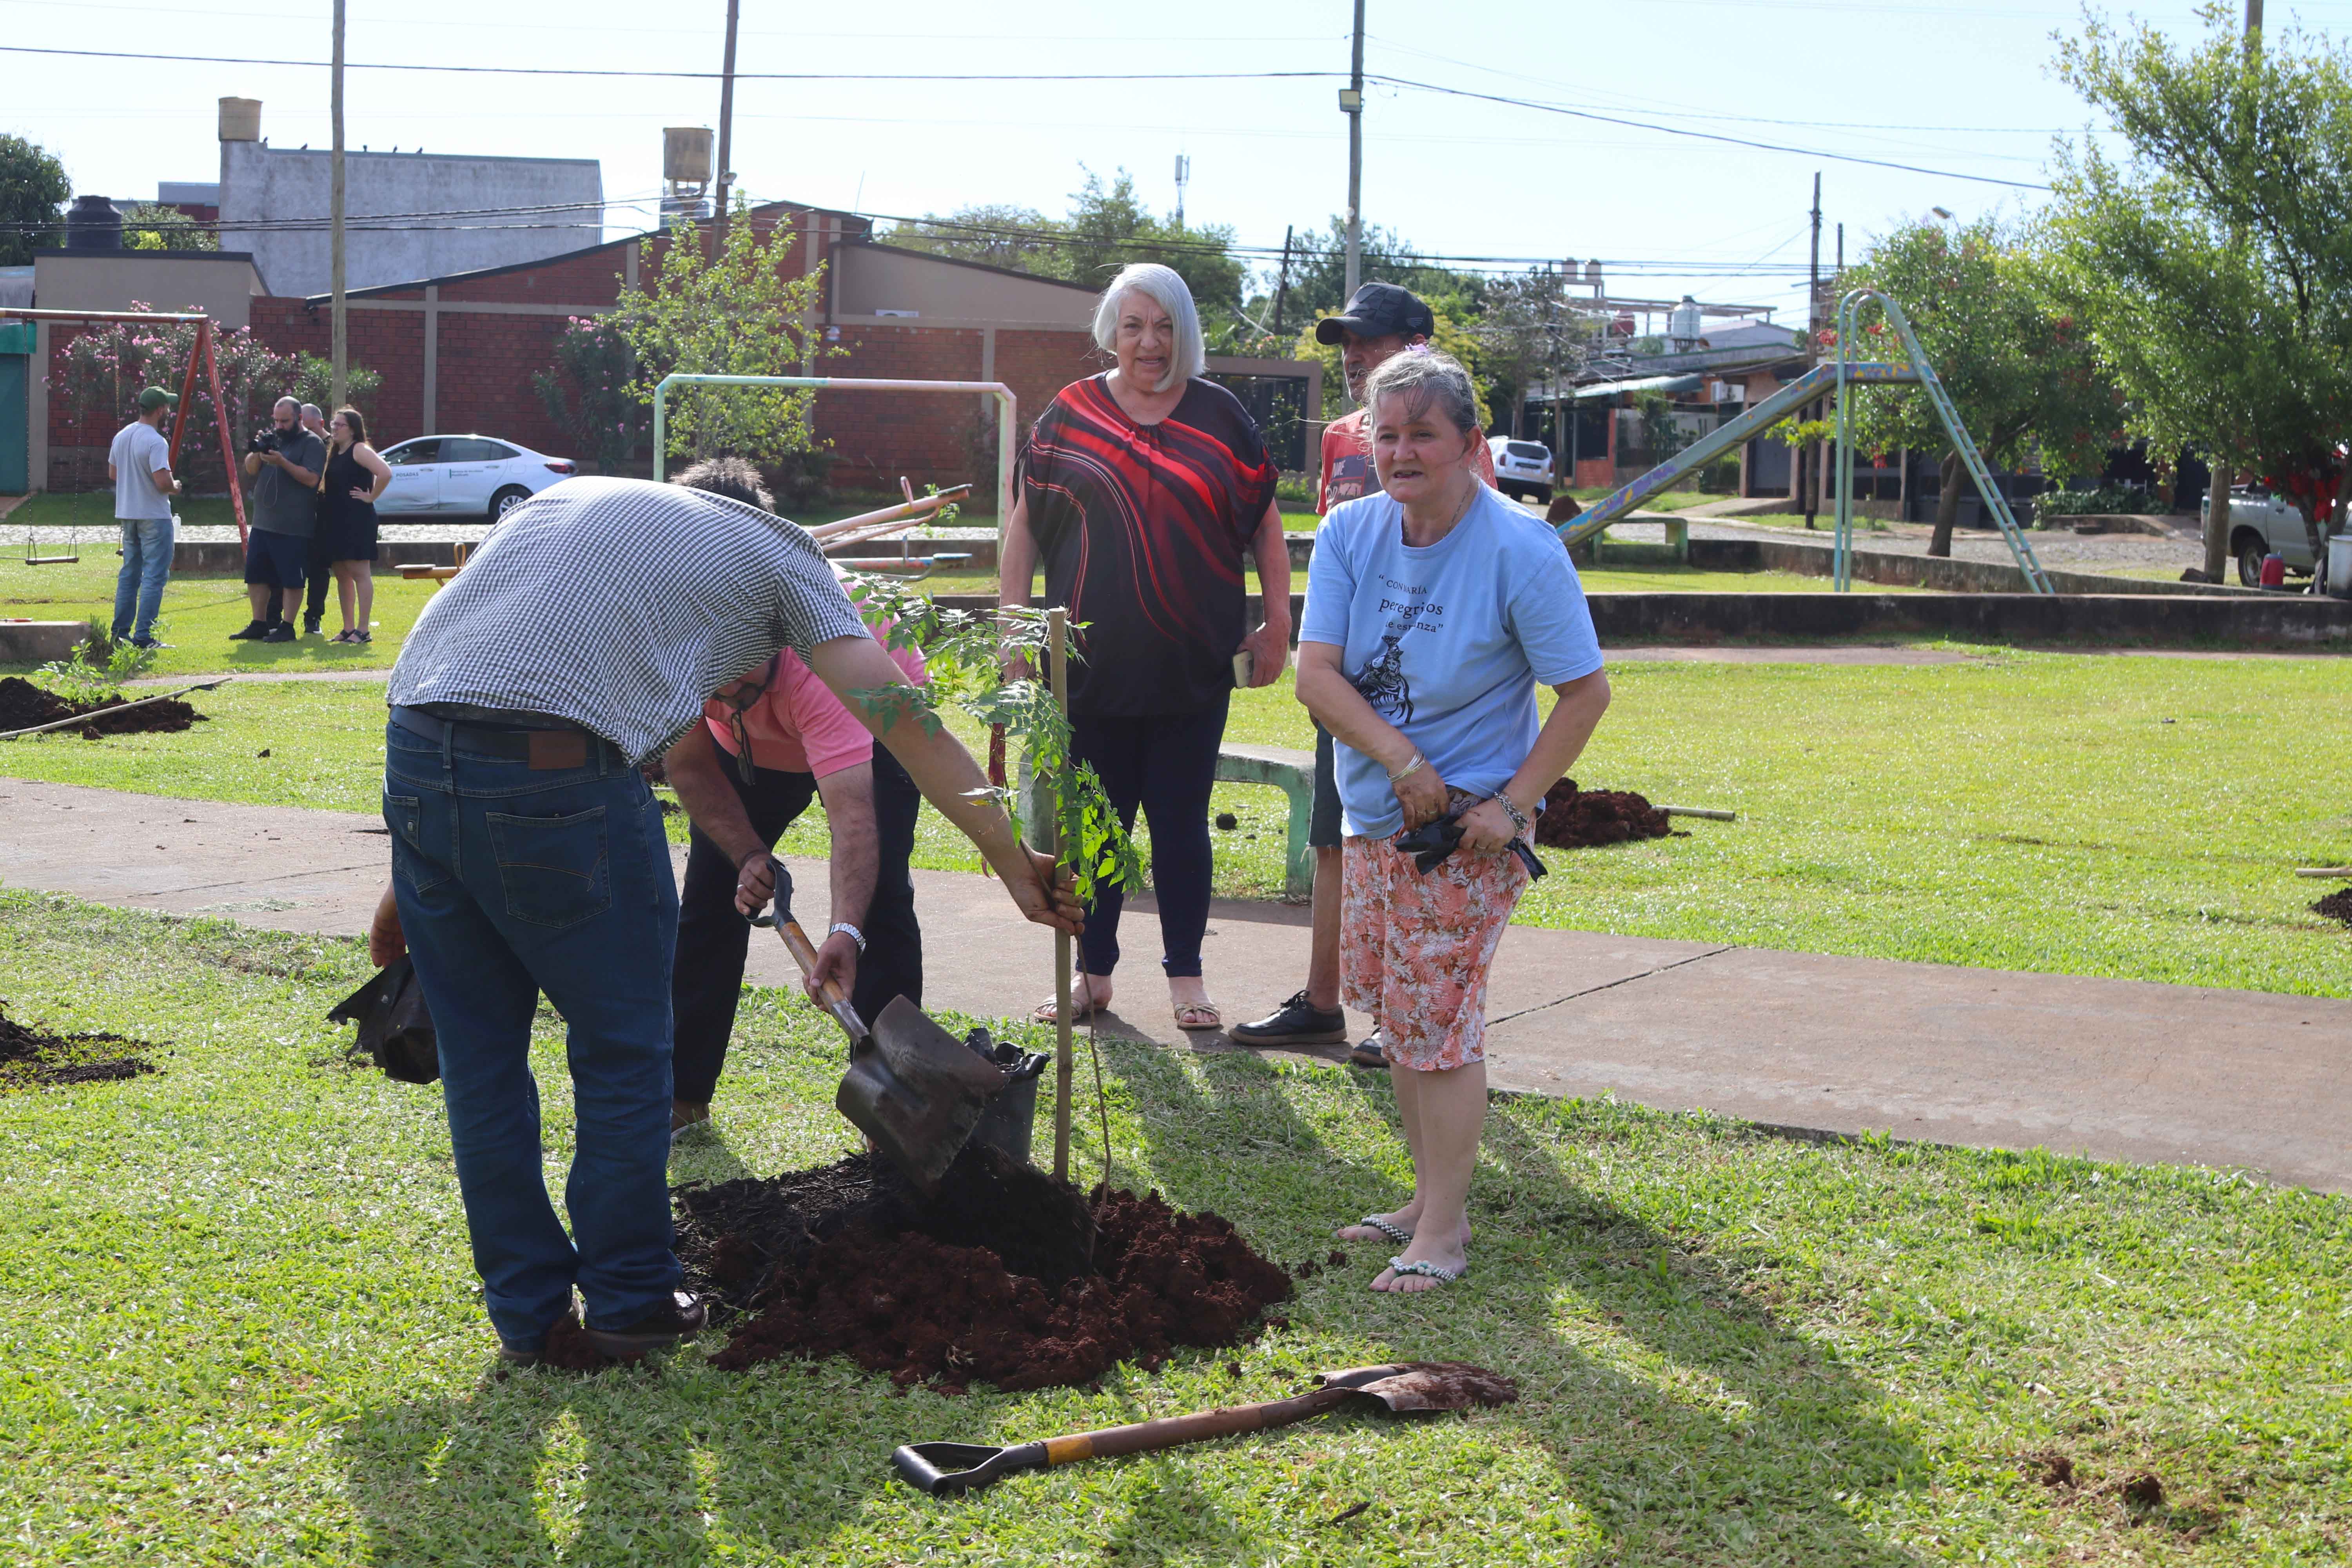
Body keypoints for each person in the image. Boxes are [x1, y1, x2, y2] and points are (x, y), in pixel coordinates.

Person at [365, 475, 1079, 1365]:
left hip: (415, 750)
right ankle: (630, 1298)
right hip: (558, 767)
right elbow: (907, 721)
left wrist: (408, 881)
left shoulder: (581, 509)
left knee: (480, 1059)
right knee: (625, 1045)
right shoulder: (794, 564)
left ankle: (527, 1314)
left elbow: (470, 714)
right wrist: (1013, 862)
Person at [1296, 348, 1610, 1292]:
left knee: (1438, 1022)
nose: (1401, 453)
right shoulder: (1350, 532)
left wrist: (1511, 807)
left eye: (1423, 434)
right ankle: (1430, 1199)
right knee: (1400, 1016)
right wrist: (1403, 763)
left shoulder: (1522, 551)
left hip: (1467, 833)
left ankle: (1442, 1234)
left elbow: (1586, 694)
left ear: (1471, 444)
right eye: (1386, 434)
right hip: (1376, 812)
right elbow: (1316, 676)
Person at [998, 261, 1290, 1032]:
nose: (1149, 342)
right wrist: (1014, 630)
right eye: (1134, 326)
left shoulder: (1221, 417)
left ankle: (1186, 976)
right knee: (1095, 822)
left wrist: (1278, 623)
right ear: (1113, 333)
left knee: (1181, 823)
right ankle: (1092, 974)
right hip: (1086, 669)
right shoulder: (1072, 412)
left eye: (1164, 327)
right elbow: (1025, 523)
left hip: (1193, 666)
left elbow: (1264, 523)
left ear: (1184, 332)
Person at [1234, 283, 1495, 1067]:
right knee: (1333, 837)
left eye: (1368, 341)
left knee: (1415, 847)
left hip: (1424, 682)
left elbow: (1473, 549)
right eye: (1345, 344)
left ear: (1417, 345)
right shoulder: (1342, 437)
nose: (1352, 357)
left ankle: (1399, 1010)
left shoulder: (1451, 435)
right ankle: (1323, 1001)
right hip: (1345, 674)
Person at [659, 456, 928, 1138]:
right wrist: (748, 854)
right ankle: (681, 1095)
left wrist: (845, 931)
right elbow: (688, 765)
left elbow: (854, 817)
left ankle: (896, 1106)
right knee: (713, 896)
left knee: (881, 904)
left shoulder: (823, 639)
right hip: (753, 739)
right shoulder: (676, 629)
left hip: (875, 726)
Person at [232, 397, 324, 644]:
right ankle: (259, 623)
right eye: (276, 421)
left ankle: (288, 626)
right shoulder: (275, 438)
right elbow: (251, 470)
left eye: (285, 421)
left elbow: (312, 479)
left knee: (292, 580)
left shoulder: (312, 443)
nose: (279, 426)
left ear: (299, 418)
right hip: (263, 523)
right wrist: (258, 451)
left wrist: (282, 462)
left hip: (293, 526)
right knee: (256, 576)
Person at [106, 387, 181, 650]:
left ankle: (120, 634)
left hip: (128, 514)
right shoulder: (156, 441)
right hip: (154, 516)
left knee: (129, 574)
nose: (169, 410)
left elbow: (114, 474)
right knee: (154, 577)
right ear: (160, 410)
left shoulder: (122, 435)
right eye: (167, 406)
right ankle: (144, 636)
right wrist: (176, 486)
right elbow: (163, 483)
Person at [319, 406, 390, 644]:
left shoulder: (359, 449)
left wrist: (371, 497)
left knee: (360, 573)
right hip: (336, 519)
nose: (335, 429)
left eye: (340, 425)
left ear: (353, 429)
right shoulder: (336, 451)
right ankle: (348, 628)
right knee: (342, 574)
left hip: (357, 519)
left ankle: (363, 629)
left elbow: (385, 473)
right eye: (334, 424)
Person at [299, 403, 336, 636]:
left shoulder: (335, 446)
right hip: (297, 511)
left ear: (322, 424)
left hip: (324, 513)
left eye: (311, 429)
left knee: (319, 568)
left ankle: (314, 617)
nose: (308, 434)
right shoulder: (298, 442)